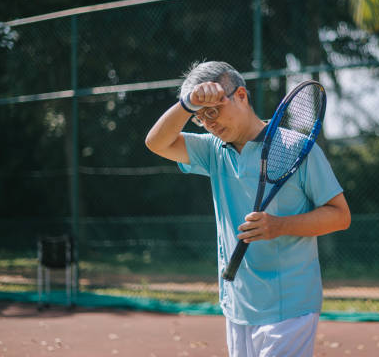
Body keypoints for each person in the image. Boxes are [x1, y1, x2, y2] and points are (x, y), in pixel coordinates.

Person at [145, 61, 350, 357]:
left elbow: (340, 215)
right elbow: (156, 142)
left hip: (290, 305)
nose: (210, 122)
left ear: (241, 95)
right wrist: (187, 104)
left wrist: (279, 226)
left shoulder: (298, 148)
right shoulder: (212, 151)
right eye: (200, 118)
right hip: (237, 304)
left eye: (214, 110)